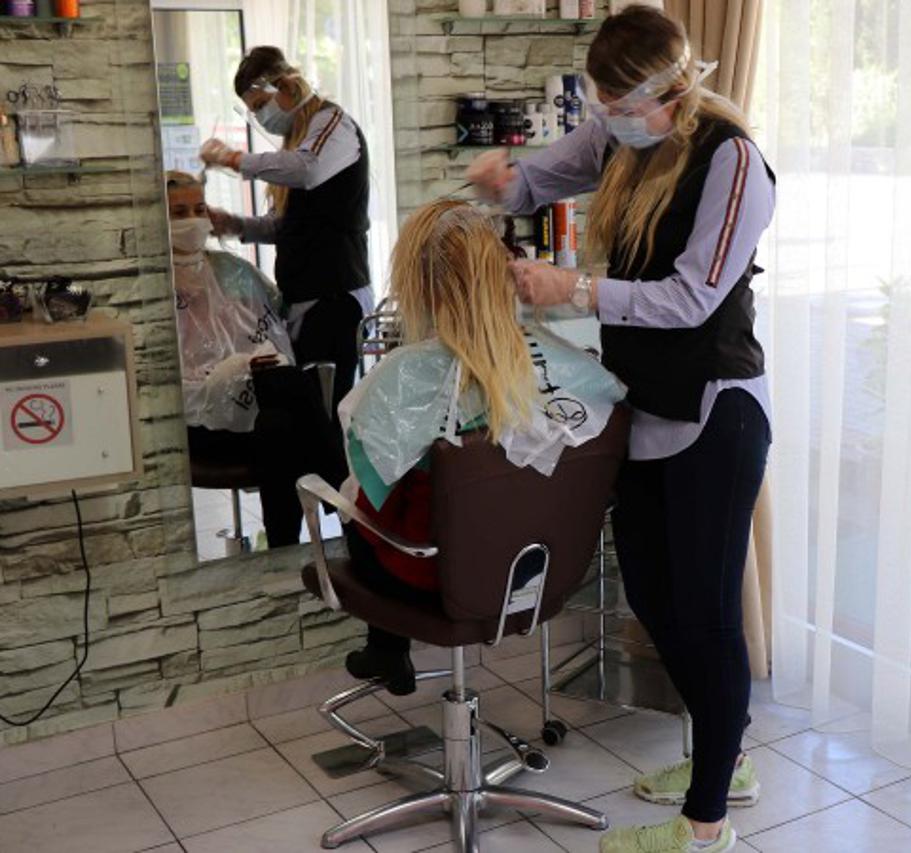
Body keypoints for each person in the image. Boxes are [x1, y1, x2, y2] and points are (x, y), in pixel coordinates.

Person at [468, 8, 774, 853]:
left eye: (622, 105)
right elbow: (541, 178)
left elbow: (691, 298)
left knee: (707, 614)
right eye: (603, 105)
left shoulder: (733, 162)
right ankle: (725, 756)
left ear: (669, 89)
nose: (610, 120)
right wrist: (501, 181)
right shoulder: (621, 132)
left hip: (716, 409)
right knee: (651, 594)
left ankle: (706, 822)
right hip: (646, 404)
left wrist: (574, 289)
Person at [338, 199, 626, 695]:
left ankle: (386, 650)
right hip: (540, 571)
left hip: (434, 577)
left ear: (421, 285)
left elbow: (374, 496)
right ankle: (387, 651)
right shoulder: (566, 364)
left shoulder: (404, 377)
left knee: (355, 514)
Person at [166, 170, 336, 547]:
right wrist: (231, 373)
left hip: (261, 413)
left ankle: (282, 552)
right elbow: (168, 389)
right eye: (178, 213)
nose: (192, 220)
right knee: (286, 401)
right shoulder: (153, 290)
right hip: (197, 429)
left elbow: (275, 326)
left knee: (279, 425)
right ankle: (341, 493)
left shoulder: (233, 272)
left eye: (199, 209)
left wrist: (252, 366)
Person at [199, 46, 372, 414]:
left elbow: (307, 169)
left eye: (262, 104)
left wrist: (234, 159)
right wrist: (234, 225)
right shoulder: (299, 141)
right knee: (309, 412)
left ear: (287, 87)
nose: (262, 117)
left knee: (328, 415)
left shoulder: (334, 124)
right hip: (306, 299)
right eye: (254, 111)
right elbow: (287, 225)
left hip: (336, 298)